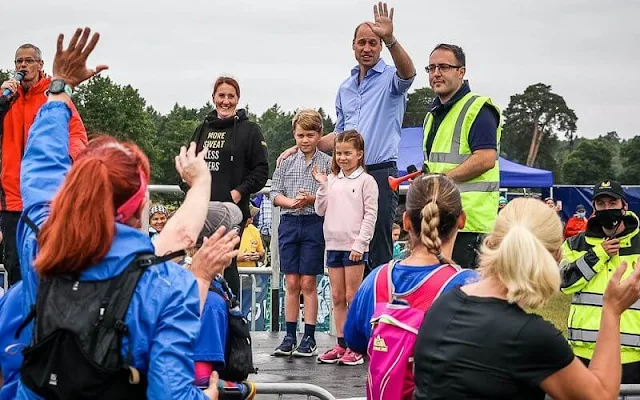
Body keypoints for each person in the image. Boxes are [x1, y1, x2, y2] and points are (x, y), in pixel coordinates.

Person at [13, 27, 235, 399]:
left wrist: (59, 89)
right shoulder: (167, 285)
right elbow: (171, 395)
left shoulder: (40, 242)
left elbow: (41, 163)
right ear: (138, 208)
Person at [413, 197, 640, 400]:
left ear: (492, 243)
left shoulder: (443, 304)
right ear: (555, 256)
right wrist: (611, 311)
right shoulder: (530, 336)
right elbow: (600, 396)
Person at [278, 2, 416, 275]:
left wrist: (391, 40)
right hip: (345, 177)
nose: (367, 48)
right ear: (353, 46)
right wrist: (303, 144)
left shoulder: (391, 78)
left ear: (380, 47)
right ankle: (355, 315)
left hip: (377, 172)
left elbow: (408, 73)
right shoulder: (345, 88)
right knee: (350, 248)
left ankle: (378, 311)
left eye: (374, 43)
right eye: (362, 42)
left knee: (377, 247)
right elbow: (339, 136)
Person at [344, 174, 477, 356]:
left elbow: (355, 341)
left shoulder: (375, 281)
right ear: (462, 220)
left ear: (406, 222)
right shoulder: (471, 286)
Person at [0, 44, 88, 287]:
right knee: (15, 268)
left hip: (49, 198)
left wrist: (66, 160)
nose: (23, 66)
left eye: (29, 61)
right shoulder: (7, 98)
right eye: (18, 62)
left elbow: (78, 135)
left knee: (48, 263)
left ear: (40, 65)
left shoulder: (54, 96)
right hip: (12, 200)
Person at [185, 75, 269, 296]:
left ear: (238, 99)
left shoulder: (249, 130)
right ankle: (202, 313)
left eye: (231, 96)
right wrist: (190, 189)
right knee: (201, 261)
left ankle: (231, 317)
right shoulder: (202, 129)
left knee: (226, 261)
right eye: (221, 95)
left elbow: (261, 171)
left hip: (231, 210)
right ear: (213, 97)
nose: (226, 101)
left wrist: (239, 192)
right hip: (202, 209)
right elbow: (187, 165)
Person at [422, 43, 502, 269]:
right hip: (439, 220)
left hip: (471, 225)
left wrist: (443, 179)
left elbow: (486, 159)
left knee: (466, 296)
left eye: (444, 67)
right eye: (431, 68)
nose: (436, 73)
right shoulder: (432, 116)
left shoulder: (478, 108)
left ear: (461, 71)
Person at [561, 180, 640, 383]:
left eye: (612, 203)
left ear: (624, 206)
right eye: (601, 204)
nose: (607, 208)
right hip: (584, 353)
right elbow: (565, 282)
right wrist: (598, 254)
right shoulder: (574, 244)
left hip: (633, 356)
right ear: (593, 208)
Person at [313, 130, 378, 366]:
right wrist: (322, 186)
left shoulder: (366, 181)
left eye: (347, 153)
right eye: (338, 153)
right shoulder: (332, 180)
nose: (342, 158)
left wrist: (361, 244)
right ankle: (341, 343)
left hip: (354, 246)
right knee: (337, 296)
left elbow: (370, 215)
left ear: (359, 154)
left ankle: (356, 346)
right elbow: (321, 209)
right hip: (333, 245)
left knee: (353, 296)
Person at [270, 109, 331, 357]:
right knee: (291, 281)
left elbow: (332, 194)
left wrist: (312, 199)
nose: (304, 140)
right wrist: (290, 202)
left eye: (309, 135)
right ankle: (289, 334)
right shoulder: (285, 162)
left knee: (308, 282)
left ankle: (309, 336)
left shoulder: (327, 162)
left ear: (319, 135)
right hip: (289, 222)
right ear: (294, 136)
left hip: (313, 222)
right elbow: (274, 193)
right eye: (300, 135)